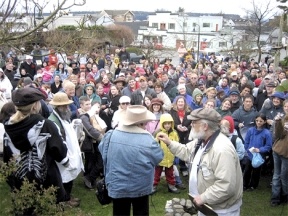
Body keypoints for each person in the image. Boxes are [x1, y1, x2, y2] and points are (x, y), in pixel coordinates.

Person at [158, 108, 243, 216]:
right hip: (206, 206)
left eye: (194, 122)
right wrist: (169, 142)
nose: (191, 125)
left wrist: (203, 197)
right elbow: (186, 151)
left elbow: (226, 185)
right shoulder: (202, 141)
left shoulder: (222, 149)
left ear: (205, 126)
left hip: (221, 210)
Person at [3, 88, 70, 213]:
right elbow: (62, 155)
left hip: (21, 187)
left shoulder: (8, 129)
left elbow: (7, 162)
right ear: (35, 106)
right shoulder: (46, 125)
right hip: (49, 186)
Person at [98, 105, 163, 216]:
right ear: (141, 123)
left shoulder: (111, 134)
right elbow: (158, 158)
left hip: (117, 183)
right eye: (145, 122)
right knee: (141, 212)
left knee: (119, 212)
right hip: (140, 186)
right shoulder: (148, 140)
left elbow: (103, 152)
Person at [48, 92, 84, 206]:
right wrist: (64, 158)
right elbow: (56, 141)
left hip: (70, 152)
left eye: (67, 105)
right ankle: (64, 200)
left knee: (70, 176)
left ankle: (67, 197)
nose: (67, 108)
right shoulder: (53, 121)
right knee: (64, 177)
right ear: (57, 107)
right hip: (62, 155)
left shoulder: (63, 116)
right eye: (64, 106)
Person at [78, 96, 104, 189]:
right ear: (81, 105)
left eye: (89, 104)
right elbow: (90, 130)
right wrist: (101, 137)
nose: (89, 106)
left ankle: (90, 179)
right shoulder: (83, 116)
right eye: (86, 104)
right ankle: (89, 179)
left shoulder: (90, 114)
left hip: (94, 142)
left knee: (95, 161)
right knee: (94, 162)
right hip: (89, 142)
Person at [243, 113, 272, 191]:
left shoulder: (267, 133)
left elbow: (268, 146)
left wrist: (260, 150)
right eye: (257, 120)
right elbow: (246, 141)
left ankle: (253, 185)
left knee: (256, 171)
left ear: (265, 121)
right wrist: (248, 149)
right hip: (250, 154)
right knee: (247, 170)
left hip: (259, 156)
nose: (258, 122)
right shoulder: (250, 130)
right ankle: (245, 184)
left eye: (261, 121)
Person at [153, 113, 180, 194]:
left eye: (169, 123)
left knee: (170, 173)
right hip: (160, 158)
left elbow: (177, 143)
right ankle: (153, 186)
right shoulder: (159, 133)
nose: (167, 125)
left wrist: (176, 155)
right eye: (166, 123)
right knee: (156, 174)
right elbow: (154, 144)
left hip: (170, 157)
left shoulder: (174, 133)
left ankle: (171, 186)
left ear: (171, 123)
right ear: (162, 124)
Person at [271, 111, 288, 206]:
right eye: (285, 106)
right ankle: (275, 198)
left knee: (284, 176)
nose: (287, 108)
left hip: (286, 154)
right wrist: (277, 123)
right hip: (277, 150)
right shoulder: (282, 119)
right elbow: (277, 135)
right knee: (276, 175)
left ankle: (285, 195)